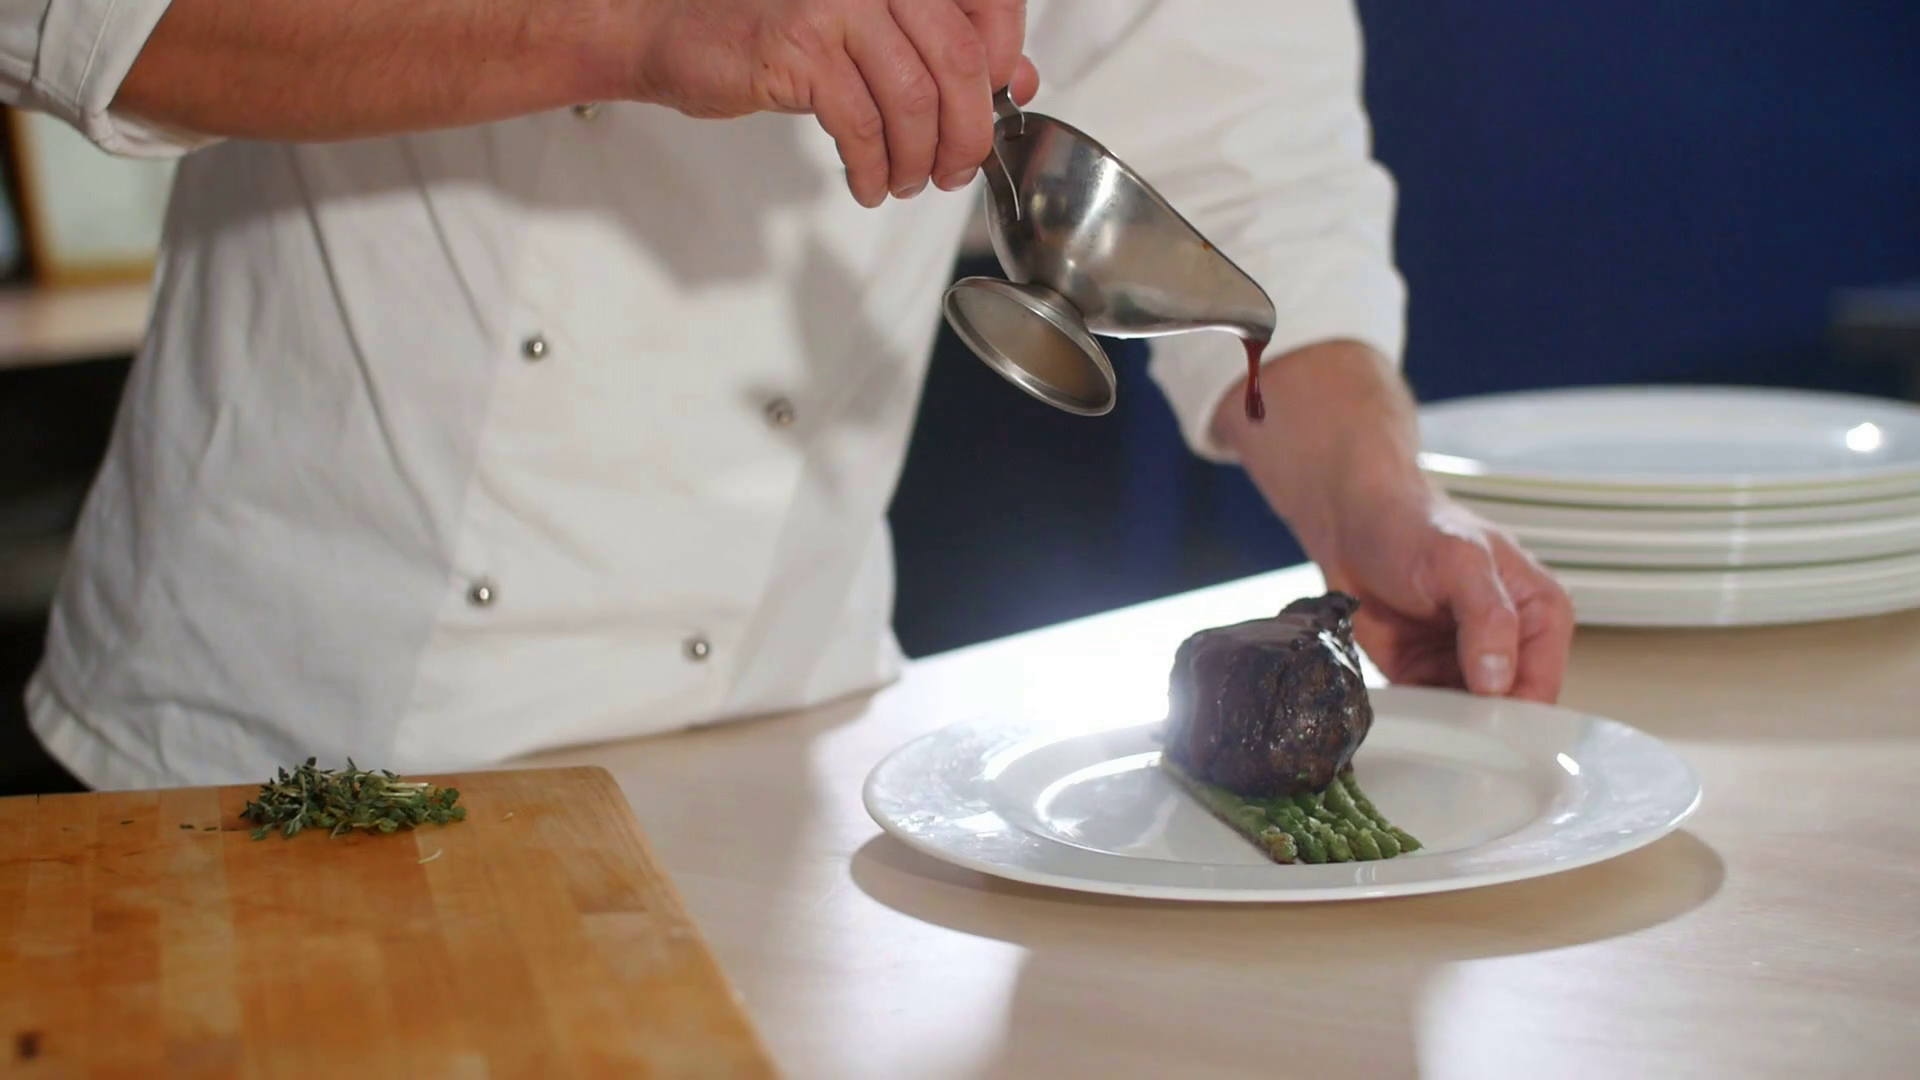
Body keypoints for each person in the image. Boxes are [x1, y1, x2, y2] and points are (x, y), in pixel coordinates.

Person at [1, 0, 1572, 791]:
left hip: (772, 751)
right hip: (266, 740)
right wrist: (636, 23)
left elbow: (1257, 184)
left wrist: (1383, 506)